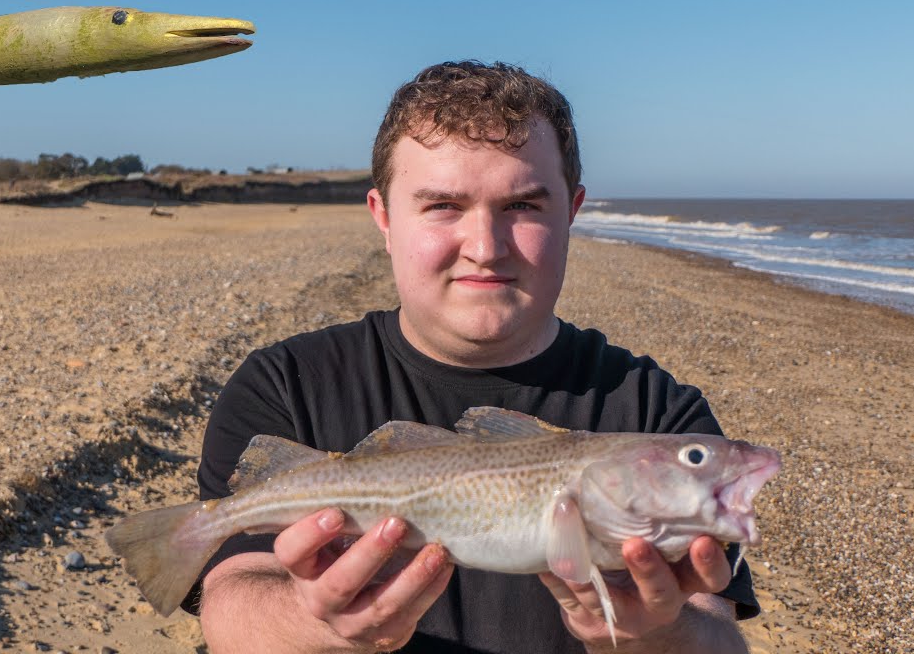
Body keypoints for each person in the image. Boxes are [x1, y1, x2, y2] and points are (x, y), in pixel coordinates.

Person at [189, 61, 757, 653]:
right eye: (442, 206)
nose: (485, 248)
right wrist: (315, 623)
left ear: (572, 211)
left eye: (524, 207)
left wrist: (656, 633)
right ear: (384, 218)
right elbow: (230, 608)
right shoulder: (283, 384)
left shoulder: (656, 409)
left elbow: (717, 635)